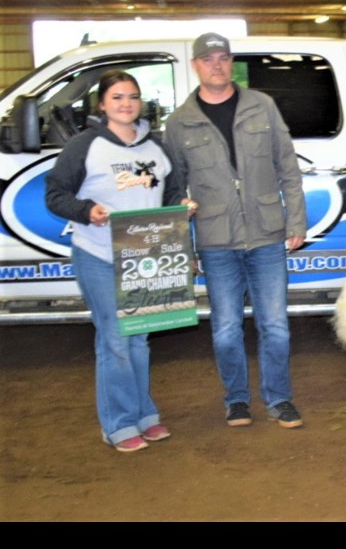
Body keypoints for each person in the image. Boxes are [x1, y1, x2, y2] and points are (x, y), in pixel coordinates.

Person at [163, 33, 307, 429]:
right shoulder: (179, 122)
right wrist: (181, 245)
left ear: (231, 63)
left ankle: (279, 399)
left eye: (223, 57)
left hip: (266, 234)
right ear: (195, 65)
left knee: (275, 326)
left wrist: (295, 221)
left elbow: (288, 168)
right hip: (215, 240)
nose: (216, 65)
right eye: (208, 58)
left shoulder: (262, 107)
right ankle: (237, 400)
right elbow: (174, 189)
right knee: (226, 330)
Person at [45, 70, 194, 452]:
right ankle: (118, 424)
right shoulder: (85, 146)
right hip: (99, 255)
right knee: (114, 341)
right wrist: (86, 209)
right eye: (117, 97)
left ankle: (145, 416)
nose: (126, 103)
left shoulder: (155, 148)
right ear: (102, 104)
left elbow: (172, 193)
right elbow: (55, 194)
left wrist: (182, 207)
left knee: (139, 340)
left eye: (132, 96)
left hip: (146, 259)